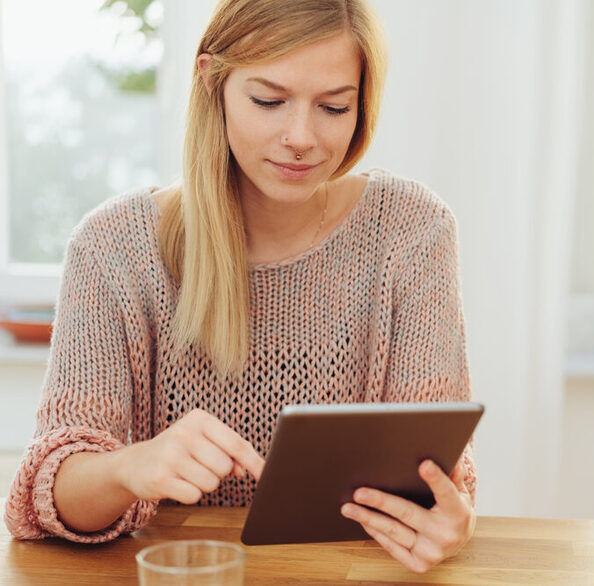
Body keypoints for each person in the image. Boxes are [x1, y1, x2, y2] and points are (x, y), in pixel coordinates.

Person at [4, 0, 476, 574]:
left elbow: (438, 473)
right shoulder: (113, 248)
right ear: (212, 82)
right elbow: (44, 497)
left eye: (333, 107)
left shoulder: (411, 232)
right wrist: (131, 467)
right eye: (268, 101)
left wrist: (452, 519)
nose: (301, 136)